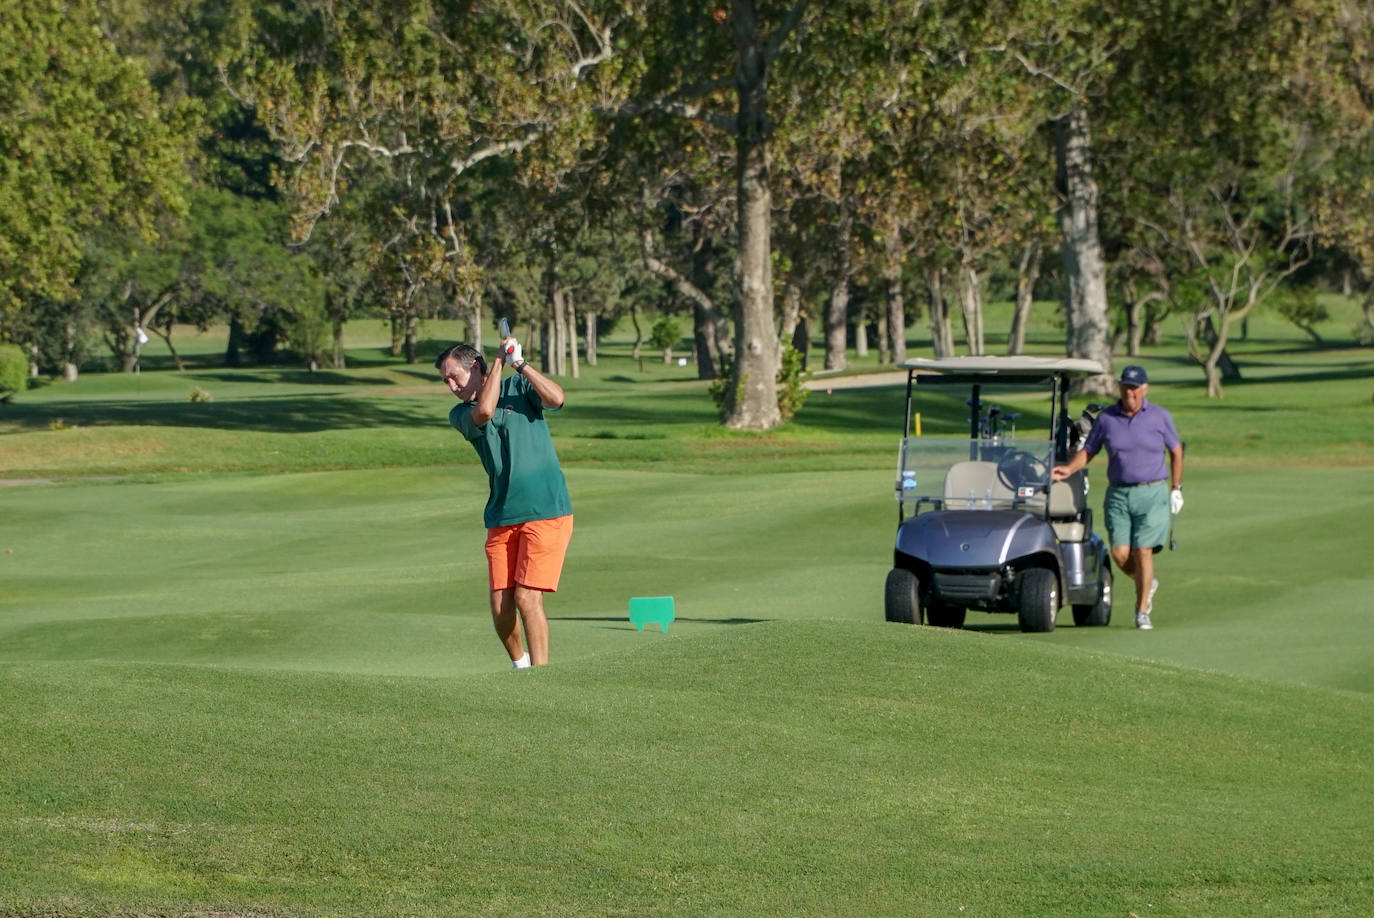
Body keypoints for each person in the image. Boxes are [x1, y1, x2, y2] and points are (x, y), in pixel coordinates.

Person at [435, 335, 573, 668]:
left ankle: (542, 678)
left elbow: (556, 398)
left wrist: (519, 364)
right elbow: (484, 411)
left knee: (527, 597)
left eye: (455, 376)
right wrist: (499, 360)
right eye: (446, 380)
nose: (452, 385)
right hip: (501, 515)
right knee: (501, 607)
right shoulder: (461, 413)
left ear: (475, 368)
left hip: (545, 511)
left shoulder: (520, 388)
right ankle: (520, 665)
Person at [1052, 365, 1183, 630]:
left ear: (1144, 389)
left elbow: (1176, 451)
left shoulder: (1159, 417)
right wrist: (1069, 468)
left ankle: (1142, 610)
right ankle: (1146, 582)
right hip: (1118, 494)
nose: (1129, 392)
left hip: (1152, 491)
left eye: (1134, 388)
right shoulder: (1108, 418)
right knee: (1120, 554)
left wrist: (1176, 488)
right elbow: (1089, 450)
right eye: (1125, 387)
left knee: (1142, 551)